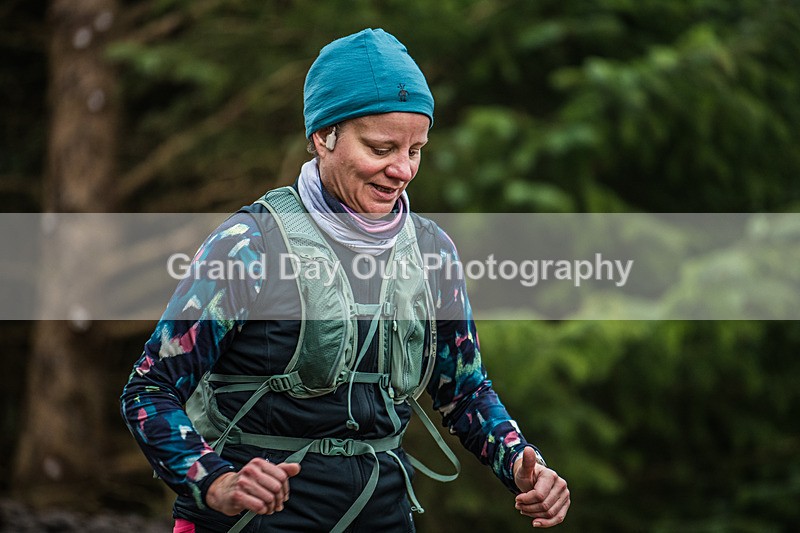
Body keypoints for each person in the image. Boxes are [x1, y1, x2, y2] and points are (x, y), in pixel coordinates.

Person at [121, 28, 570, 532]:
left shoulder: (432, 252)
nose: (402, 170)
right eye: (381, 148)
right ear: (323, 136)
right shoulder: (249, 245)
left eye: (416, 150)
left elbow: (464, 391)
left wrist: (520, 463)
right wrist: (214, 481)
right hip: (252, 521)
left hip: (382, 515)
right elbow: (149, 389)